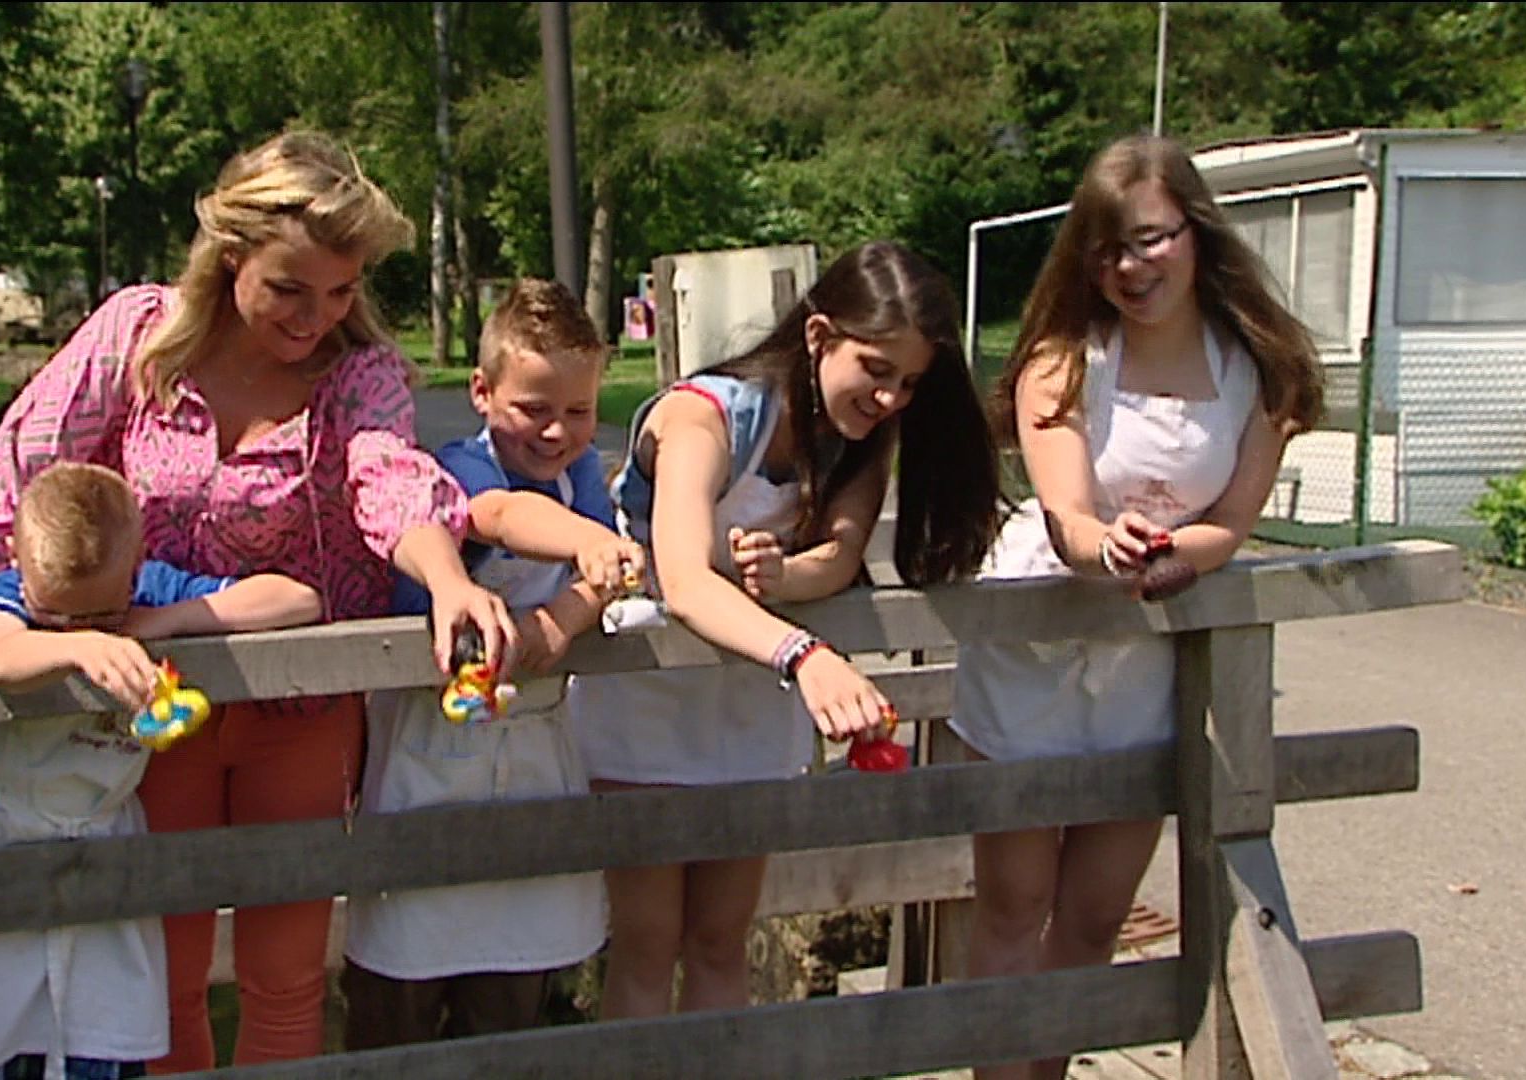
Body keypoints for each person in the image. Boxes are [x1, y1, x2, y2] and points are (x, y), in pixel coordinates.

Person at [0, 129, 518, 1070]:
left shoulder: (358, 373)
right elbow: (24, 463)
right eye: (289, 289)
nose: (316, 316)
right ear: (230, 258)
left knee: (285, 973)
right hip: (152, 706)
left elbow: (387, 474)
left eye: (342, 290)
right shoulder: (138, 337)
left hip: (299, 706)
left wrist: (449, 578)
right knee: (167, 972)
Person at [949, 134, 1323, 1080]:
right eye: (1108, 248)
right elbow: (1068, 514)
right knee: (1013, 903)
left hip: (1148, 653)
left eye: (1150, 239)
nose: (1130, 266)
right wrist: (1105, 545)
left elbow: (1229, 524)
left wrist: (1173, 556)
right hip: (1036, 642)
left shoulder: (1259, 370)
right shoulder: (1061, 361)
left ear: (1196, 233)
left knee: (1095, 913)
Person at [567, 241, 1004, 1017]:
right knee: (647, 943)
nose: (891, 398)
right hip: (651, 700)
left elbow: (839, 555)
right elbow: (686, 580)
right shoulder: (702, 418)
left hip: (748, 707)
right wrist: (804, 654)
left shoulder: (860, 440)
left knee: (720, 940)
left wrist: (783, 577)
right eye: (876, 370)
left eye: (909, 382)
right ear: (819, 336)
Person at [0, 462, 327, 1080]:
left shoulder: (148, 591)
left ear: (136, 563)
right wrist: (81, 646)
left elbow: (297, 599)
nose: (79, 627)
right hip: (3, 844)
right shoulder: (4, 597)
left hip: (107, 853)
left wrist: (167, 621)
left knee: (100, 1037)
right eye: (57, 615)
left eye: (101, 614)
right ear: (14, 557)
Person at [341, 279, 644, 1047]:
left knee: (512, 990)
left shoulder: (582, 475)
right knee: (401, 990)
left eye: (579, 411)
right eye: (533, 409)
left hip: (533, 749)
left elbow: (598, 585)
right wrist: (589, 545)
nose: (557, 432)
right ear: (482, 392)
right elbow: (501, 517)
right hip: (429, 753)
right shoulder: (458, 470)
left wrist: (561, 617)